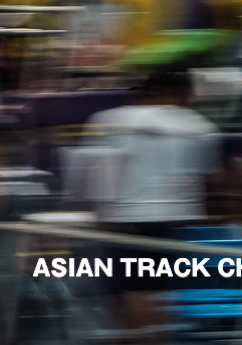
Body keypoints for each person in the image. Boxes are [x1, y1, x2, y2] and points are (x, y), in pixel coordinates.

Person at [83, 67, 223, 333]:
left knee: (122, 303)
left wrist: (99, 219)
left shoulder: (108, 120)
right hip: (170, 226)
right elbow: (206, 182)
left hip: (122, 223)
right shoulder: (199, 126)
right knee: (150, 300)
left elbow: (100, 180)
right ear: (180, 93)